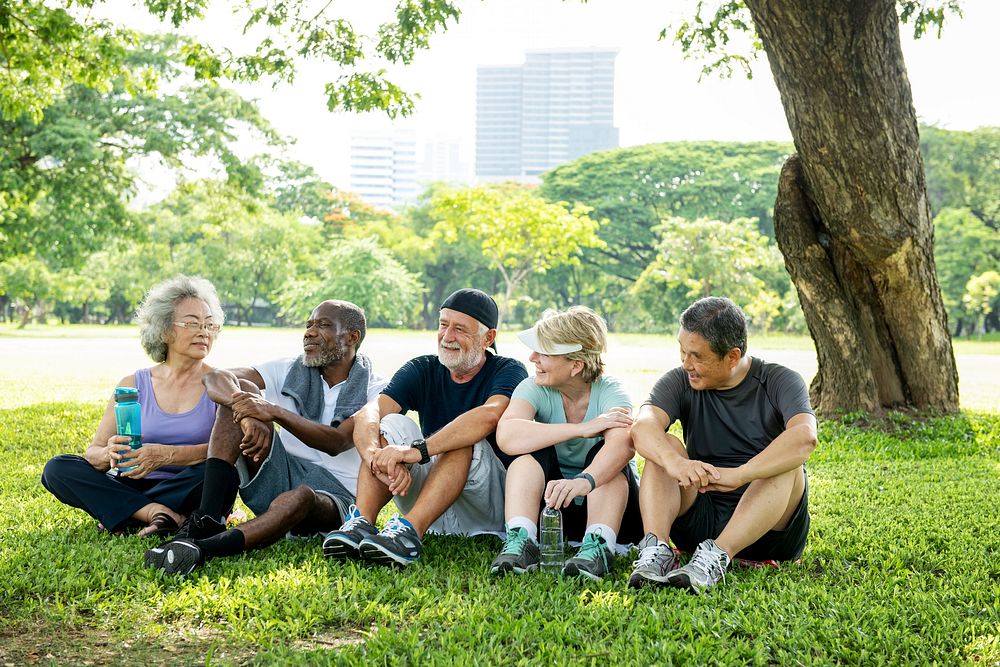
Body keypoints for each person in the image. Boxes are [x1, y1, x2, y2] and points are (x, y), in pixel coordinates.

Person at [144, 299, 384, 574]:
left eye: (323, 325)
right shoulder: (291, 368)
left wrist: (272, 411)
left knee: (302, 496)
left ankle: (205, 549)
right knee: (240, 390)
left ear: (352, 337)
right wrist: (247, 412)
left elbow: (337, 442)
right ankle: (208, 517)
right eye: (308, 325)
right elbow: (216, 377)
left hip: (334, 497)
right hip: (282, 472)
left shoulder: (376, 389)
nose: (309, 332)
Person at [322, 288, 528, 567]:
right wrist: (375, 457)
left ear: (488, 338)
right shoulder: (423, 368)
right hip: (433, 499)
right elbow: (370, 411)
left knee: (465, 437)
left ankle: (409, 534)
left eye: (460, 329)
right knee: (390, 423)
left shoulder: (508, 370)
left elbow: (489, 416)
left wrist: (416, 451)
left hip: (485, 505)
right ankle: (360, 523)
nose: (447, 336)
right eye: (443, 325)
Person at [627, 296, 817, 593]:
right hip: (700, 519)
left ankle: (718, 556)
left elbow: (805, 437)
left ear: (732, 356)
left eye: (697, 356)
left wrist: (740, 474)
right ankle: (658, 551)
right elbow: (643, 427)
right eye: (682, 351)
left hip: (766, 532)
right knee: (664, 446)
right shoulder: (680, 381)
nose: (686, 363)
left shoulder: (779, 380)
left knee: (788, 465)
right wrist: (676, 462)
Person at [42, 276, 224, 537]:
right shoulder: (132, 384)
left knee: (219, 474)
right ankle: (156, 514)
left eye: (209, 324)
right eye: (192, 323)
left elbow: (226, 452)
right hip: (131, 485)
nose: (204, 331)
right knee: (57, 469)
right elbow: (93, 453)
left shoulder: (220, 385)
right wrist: (109, 455)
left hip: (188, 485)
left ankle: (129, 513)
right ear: (164, 330)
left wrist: (165, 455)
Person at [490, 306, 643, 580]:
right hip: (554, 506)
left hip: (612, 512)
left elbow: (623, 447)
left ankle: (598, 547)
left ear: (576, 365)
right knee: (528, 453)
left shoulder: (611, 391)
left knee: (604, 453)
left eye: (544, 353)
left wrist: (584, 482)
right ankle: (521, 539)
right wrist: (581, 429)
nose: (533, 358)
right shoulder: (533, 387)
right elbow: (508, 435)